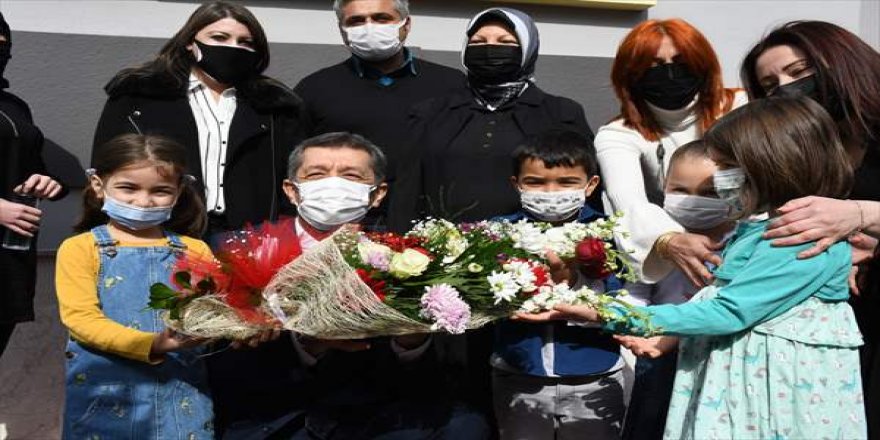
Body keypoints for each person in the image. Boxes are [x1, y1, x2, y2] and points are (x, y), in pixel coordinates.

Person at [518, 96, 866, 439]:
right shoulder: (758, 230)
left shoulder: (801, 238)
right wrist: (666, 336)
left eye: (727, 166)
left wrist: (602, 313)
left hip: (776, 398)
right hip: (742, 389)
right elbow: (717, 298)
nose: (722, 178)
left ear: (769, 164)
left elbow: (729, 311)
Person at [221, 132, 489, 439]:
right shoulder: (241, 251)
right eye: (317, 174)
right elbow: (223, 363)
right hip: (283, 411)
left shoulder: (411, 256)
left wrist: (411, 341)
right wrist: (306, 345)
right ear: (291, 190)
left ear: (378, 194)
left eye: (351, 176)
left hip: (383, 411)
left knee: (465, 426)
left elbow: (438, 370)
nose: (333, 184)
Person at [739, 20, 880, 437]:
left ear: (844, 63)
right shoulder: (806, 153)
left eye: (799, 72)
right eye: (770, 86)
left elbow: (851, 217)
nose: (786, 89)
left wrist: (859, 214)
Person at [92, 1, 307, 240]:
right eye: (219, 37)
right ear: (189, 41)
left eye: (245, 42)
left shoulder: (273, 104)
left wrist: (283, 232)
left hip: (248, 235)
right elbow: (106, 165)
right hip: (163, 230)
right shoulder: (139, 94)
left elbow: (291, 173)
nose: (233, 47)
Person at [55, 134, 213, 439]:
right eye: (128, 188)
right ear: (99, 185)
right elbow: (81, 320)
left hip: (182, 393)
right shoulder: (80, 248)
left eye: (160, 190)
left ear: (179, 191)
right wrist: (153, 344)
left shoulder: (196, 250)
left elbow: (213, 310)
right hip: (103, 396)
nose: (143, 201)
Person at [393, 6, 593, 228]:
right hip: (442, 244)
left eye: (505, 42)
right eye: (478, 42)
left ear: (528, 49)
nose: (490, 49)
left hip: (534, 244)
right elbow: (406, 190)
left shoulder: (561, 113)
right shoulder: (430, 113)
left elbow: (583, 189)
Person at [491, 130, 625, 440]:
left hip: (594, 373)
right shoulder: (498, 232)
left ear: (590, 184)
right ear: (516, 184)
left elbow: (621, 296)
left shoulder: (609, 232)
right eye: (536, 182)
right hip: (519, 374)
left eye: (566, 182)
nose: (551, 192)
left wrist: (576, 283)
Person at [594, 18, 746, 287]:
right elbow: (628, 202)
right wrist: (668, 240)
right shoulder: (617, 134)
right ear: (630, 75)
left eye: (681, 62)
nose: (670, 74)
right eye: (652, 66)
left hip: (748, 241)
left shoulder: (741, 106)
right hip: (675, 258)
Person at [294, 0, 464, 231]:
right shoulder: (315, 88)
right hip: (345, 223)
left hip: (432, 223)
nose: (369, 27)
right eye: (356, 21)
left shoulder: (451, 84)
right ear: (342, 30)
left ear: (406, 24)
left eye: (381, 18)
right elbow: (296, 161)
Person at [619, 140, 736, 440]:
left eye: (710, 193)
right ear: (664, 186)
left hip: (718, 357)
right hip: (658, 351)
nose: (694, 201)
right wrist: (637, 327)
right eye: (680, 190)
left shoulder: (742, 240)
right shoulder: (655, 236)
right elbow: (637, 288)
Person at [0, 12, 66, 358]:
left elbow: (29, 165)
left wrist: (46, 181)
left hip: (9, 255)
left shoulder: (15, 107)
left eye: (2, 41)